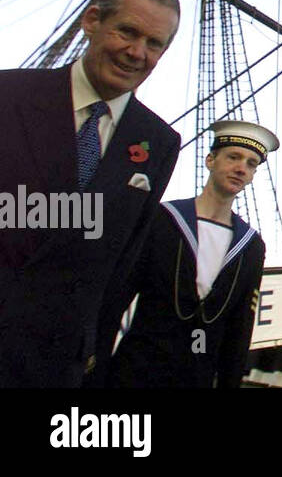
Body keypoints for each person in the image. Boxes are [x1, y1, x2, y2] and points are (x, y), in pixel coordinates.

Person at [0, 0, 182, 387]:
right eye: (127, 32)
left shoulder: (158, 143)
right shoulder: (8, 96)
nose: (137, 53)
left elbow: (122, 268)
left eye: (154, 44)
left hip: (54, 364)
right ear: (92, 20)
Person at [103, 120, 273, 388]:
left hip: (195, 377)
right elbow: (118, 294)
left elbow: (240, 327)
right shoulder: (162, 220)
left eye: (251, 164)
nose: (241, 168)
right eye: (233, 157)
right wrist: (97, 362)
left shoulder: (251, 246)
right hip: (137, 370)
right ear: (210, 160)